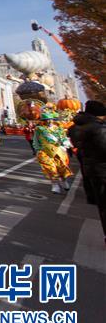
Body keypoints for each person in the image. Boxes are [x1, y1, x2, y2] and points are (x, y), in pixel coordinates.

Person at [66, 100, 106, 245]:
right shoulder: (97, 128)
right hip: (101, 167)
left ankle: (91, 196)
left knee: (101, 201)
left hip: (91, 164)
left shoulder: (79, 126)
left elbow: (73, 140)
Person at [32, 111, 73, 194]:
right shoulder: (39, 129)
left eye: (50, 119)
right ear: (43, 120)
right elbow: (36, 140)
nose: (48, 121)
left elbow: (63, 138)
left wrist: (65, 143)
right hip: (45, 152)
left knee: (62, 167)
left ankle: (64, 181)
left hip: (58, 151)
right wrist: (37, 149)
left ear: (52, 120)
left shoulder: (58, 129)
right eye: (46, 120)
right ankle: (55, 185)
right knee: (50, 168)